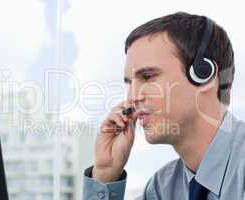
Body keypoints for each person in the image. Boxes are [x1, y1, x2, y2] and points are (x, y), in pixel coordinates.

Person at [82, 12, 245, 200]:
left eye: (148, 77)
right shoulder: (162, 188)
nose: (132, 97)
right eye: (129, 83)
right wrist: (105, 173)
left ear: (204, 74)